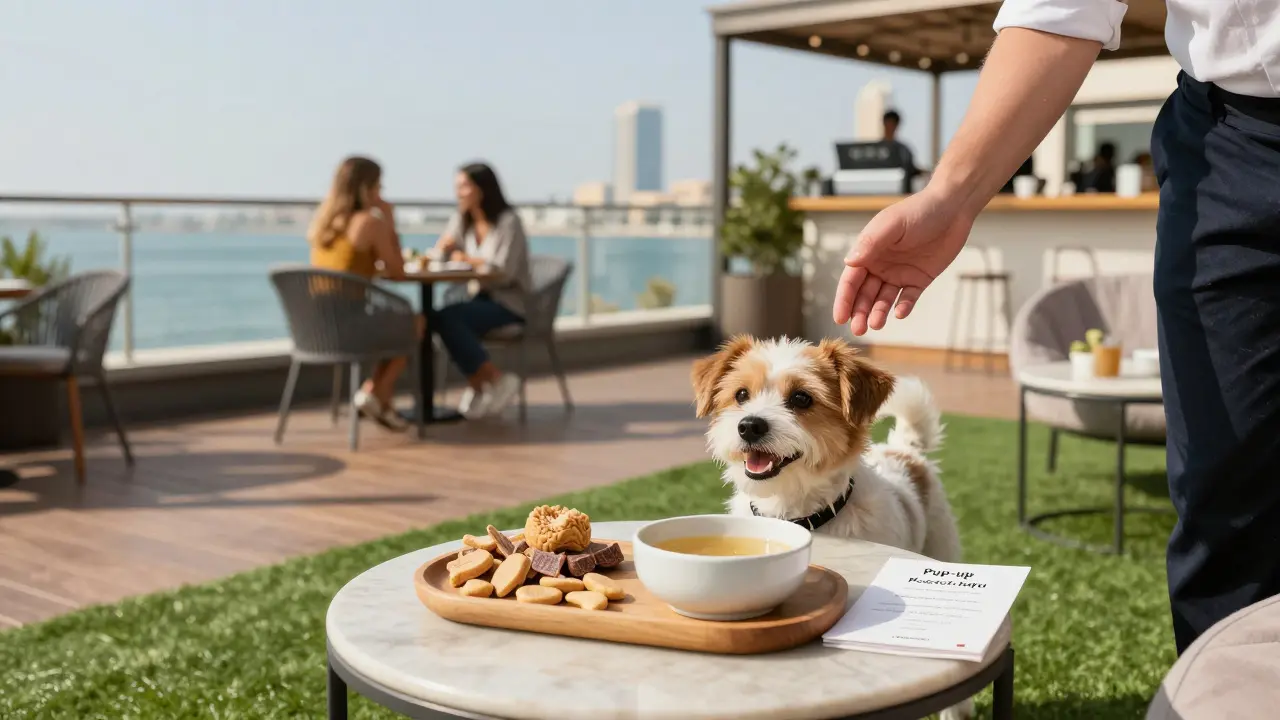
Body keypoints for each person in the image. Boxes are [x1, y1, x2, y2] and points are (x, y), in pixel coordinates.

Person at [832, 2, 1280, 656]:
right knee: (1228, 506)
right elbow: (1065, 9)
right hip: (1235, 147)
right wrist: (950, 196)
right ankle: (1226, 693)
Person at [307, 155, 418, 432]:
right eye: (379, 186)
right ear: (367, 188)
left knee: (394, 322)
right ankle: (376, 393)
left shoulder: (323, 223)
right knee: (416, 322)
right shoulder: (369, 222)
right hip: (350, 325)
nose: (382, 193)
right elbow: (398, 273)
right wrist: (390, 221)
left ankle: (379, 401)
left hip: (316, 327)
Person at [431, 162, 529, 420]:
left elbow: (504, 270)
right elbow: (439, 256)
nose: (459, 193)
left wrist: (466, 259)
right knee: (438, 318)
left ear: (483, 188)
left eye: (464, 186)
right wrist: (444, 248)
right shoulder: (461, 220)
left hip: (507, 304)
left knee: (448, 318)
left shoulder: (509, 222)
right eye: (457, 187)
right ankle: (484, 382)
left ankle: (489, 381)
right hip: (476, 298)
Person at [881, 109, 921, 193]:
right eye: (888, 123)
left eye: (892, 124)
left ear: (897, 126)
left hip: (901, 195)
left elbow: (913, 171)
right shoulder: (874, 150)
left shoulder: (905, 151)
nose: (890, 127)